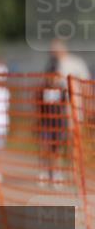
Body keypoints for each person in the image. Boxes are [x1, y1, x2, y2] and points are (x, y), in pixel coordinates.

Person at [39, 39, 92, 187]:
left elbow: (86, 84)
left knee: (74, 141)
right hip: (58, 109)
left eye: (54, 49)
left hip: (75, 108)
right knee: (57, 141)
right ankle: (57, 170)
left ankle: (73, 171)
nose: (53, 52)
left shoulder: (76, 63)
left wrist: (87, 105)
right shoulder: (51, 64)